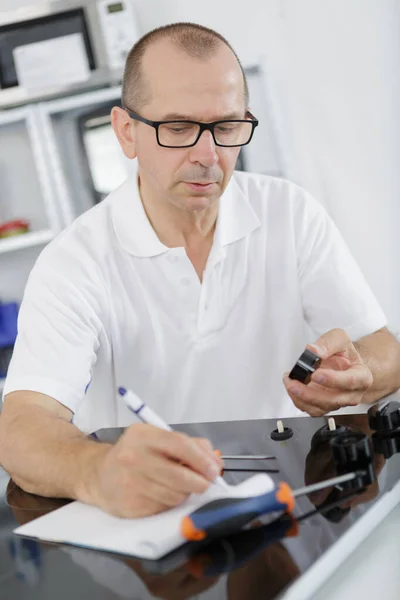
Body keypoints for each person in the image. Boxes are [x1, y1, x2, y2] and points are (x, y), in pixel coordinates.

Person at [0, 23, 399, 519]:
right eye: (179, 128)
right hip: (154, 525)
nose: (207, 156)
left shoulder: (290, 213)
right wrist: (98, 470)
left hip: (291, 501)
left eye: (227, 127)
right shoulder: (75, 262)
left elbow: (384, 350)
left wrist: (362, 376)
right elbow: (21, 427)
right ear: (127, 132)